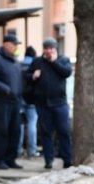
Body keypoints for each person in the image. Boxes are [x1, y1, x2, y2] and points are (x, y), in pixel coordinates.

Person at [31, 37, 73, 170]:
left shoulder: (63, 60)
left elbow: (67, 72)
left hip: (59, 103)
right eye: (47, 48)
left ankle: (67, 159)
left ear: (56, 49)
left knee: (64, 131)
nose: (49, 51)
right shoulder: (37, 61)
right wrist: (33, 76)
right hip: (43, 103)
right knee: (46, 132)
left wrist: (54, 62)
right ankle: (48, 159)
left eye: (51, 48)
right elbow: (26, 76)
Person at [0, 34, 24, 170]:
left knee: (15, 131)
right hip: (1, 101)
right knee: (1, 131)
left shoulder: (15, 61)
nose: (16, 47)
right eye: (14, 44)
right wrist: (6, 89)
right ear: (6, 44)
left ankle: (10, 159)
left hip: (15, 102)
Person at [18, 46, 39, 158]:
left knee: (20, 125)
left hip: (20, 99)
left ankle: (18, 149)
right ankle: (32, 150)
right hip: (31, 100)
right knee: (32, 124)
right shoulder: (35, 66)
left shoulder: (18, 65)